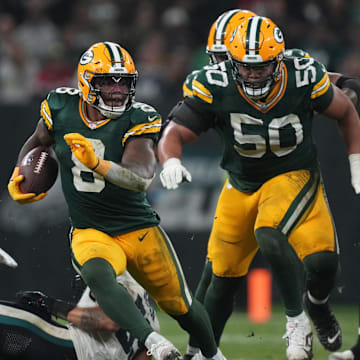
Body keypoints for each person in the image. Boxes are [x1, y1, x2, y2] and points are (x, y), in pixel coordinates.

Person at [157, 15, 360, 360]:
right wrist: (170, 159)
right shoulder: (213, 82)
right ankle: (200, 352)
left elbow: (340, 91)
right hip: (241, 181)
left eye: (259, 65)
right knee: (219, 273)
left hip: (290, 174)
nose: (246, 72)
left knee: (306, 253)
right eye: (227, 59)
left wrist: (350, 96)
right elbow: (175, 129)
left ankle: (301, 319)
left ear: (275, 59)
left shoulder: (296, 70)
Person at [7, 41, 225, 360]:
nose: (117, 89)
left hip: (138, 227)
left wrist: (100, 165)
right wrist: (20, 173)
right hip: (91, 229)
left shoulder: (138, 116)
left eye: (124, 81)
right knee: (97, 272)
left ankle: (214, 355)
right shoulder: (59, 106)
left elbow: (141, 176)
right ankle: (154, 343)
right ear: (85, 81)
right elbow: (38, 141)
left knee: (183, 307)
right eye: (107, 81)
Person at [0, 271, 159, 360]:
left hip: (73, 348)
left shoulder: (113, 273)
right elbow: (144, 354)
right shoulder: (148, 314)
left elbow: (108, 321)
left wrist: (49, 304)